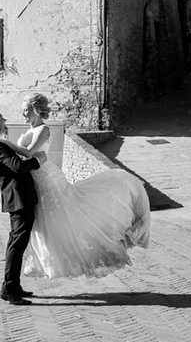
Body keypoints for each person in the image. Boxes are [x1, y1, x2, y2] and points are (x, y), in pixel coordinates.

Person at [12, 93, 151, 279]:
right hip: (35, 176)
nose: (24, 114)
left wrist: (4, 144)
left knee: (65, 213)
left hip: (46, 176)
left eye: (26, 110)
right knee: (48, 219)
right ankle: (54, 258)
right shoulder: (31, 128)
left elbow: (29, 153)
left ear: (36, 111)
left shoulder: (43, 130)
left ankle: (91, 248)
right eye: (23, 111)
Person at [0, 109, 47, 305]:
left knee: (15, 243)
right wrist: (38, 161)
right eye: (1, 118)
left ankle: (13, 285)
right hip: (20, 199)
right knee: (17, 245)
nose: (5, 119)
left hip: (16, 199)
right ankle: (8, 288)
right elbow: (18, 167)